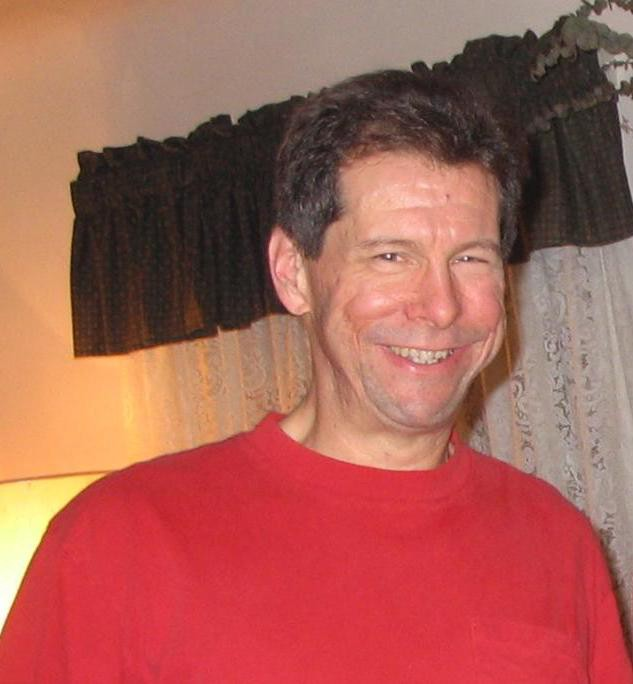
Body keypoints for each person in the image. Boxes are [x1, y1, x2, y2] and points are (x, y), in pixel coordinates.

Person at [1, 70, 631, 683]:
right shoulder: (118, 541)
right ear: (293, 273)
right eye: (391, 256)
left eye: (470, 258)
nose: (441, 307)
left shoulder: (554, 539)